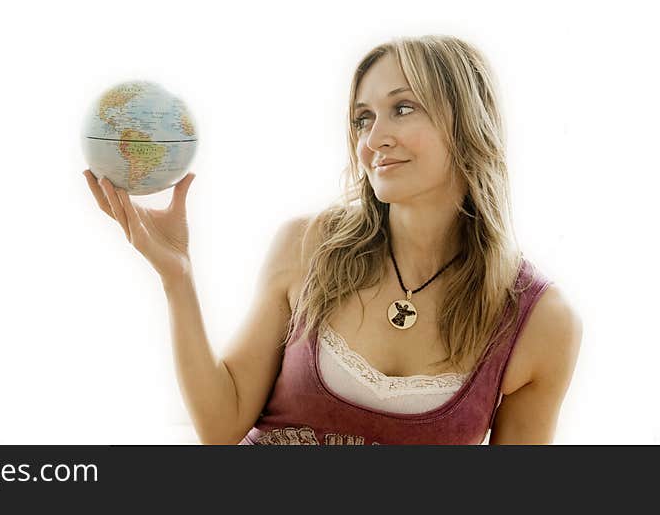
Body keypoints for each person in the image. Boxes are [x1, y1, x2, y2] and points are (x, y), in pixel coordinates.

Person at [83, 35, 582, 445]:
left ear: (469, 121)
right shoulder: (307, 246)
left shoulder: (540, 320)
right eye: (363, 118)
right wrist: (178, 277)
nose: (373, 139)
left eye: (402, 109)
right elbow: (221, 425)